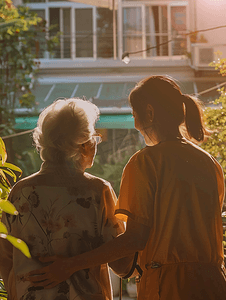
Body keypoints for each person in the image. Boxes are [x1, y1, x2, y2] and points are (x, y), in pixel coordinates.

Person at [25, 75, 226, 300]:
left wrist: (70, 265)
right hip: (214, 283)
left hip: (169, 287)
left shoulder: (145, 162)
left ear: (149, 112)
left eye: (134, 113)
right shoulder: (209, 162)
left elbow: (135, 239)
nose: (134, 122)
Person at [0, 98, 134, 300]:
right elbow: (123, 264)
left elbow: (4, 258)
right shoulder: (97, 192)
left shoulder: (20, 192)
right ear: (83, 145)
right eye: (94, 138)